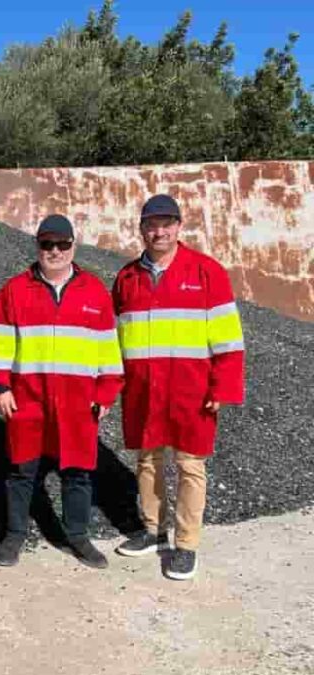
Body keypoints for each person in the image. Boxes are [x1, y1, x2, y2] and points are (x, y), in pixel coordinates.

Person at [112, 194, 245, 580]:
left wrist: (222, 386)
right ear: (141, 229)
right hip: (142, 388)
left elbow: (228, 338)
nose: (159, 231)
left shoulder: (206, 272)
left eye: (167, 223)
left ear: (178, 227)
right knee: (148, 461)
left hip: (192, 389)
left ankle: (186, 545)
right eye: (152, 225)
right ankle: (154, 531)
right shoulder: (126, 278)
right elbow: (113, 337)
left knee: (190, 466)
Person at [0, 214, 124, 569]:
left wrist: (106, 391)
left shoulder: (94, 291)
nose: (55, 251)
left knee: (77, 471)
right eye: (48, 244)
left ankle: (77, 536)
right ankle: (14, 535)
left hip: (79, 402)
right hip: (28, 398)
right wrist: (0, 386)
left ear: (73, 247)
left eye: (62, 244)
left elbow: (108, 348)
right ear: (38, 247)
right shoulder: (14, 290)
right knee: (21, 471)